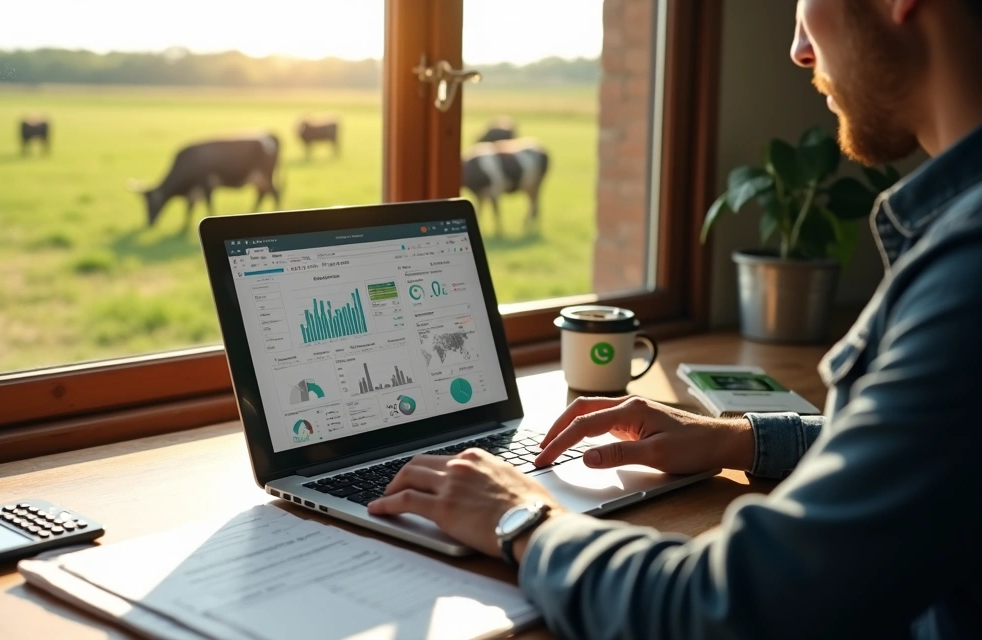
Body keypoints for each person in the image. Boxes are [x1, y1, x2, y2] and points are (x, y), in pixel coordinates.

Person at [367, 0, 982, 637]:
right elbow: (929, 455)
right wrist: (734, 439)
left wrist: (522, 518)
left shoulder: (969, 272)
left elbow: (733, 609)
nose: (799, 47)